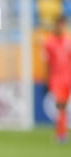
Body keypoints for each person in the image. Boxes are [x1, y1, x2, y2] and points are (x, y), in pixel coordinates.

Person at [44, 15, 71, 143]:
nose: (60, 27)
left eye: (62, 24)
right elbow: (47, 63)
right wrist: (47, 79)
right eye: (58, 24)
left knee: (63, 106)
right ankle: (61, 133)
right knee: (60, 105)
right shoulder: (49, 43)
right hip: (56, 79)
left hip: (68, 78)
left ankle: (61, 131)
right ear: (55, 25)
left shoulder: (68, 41)